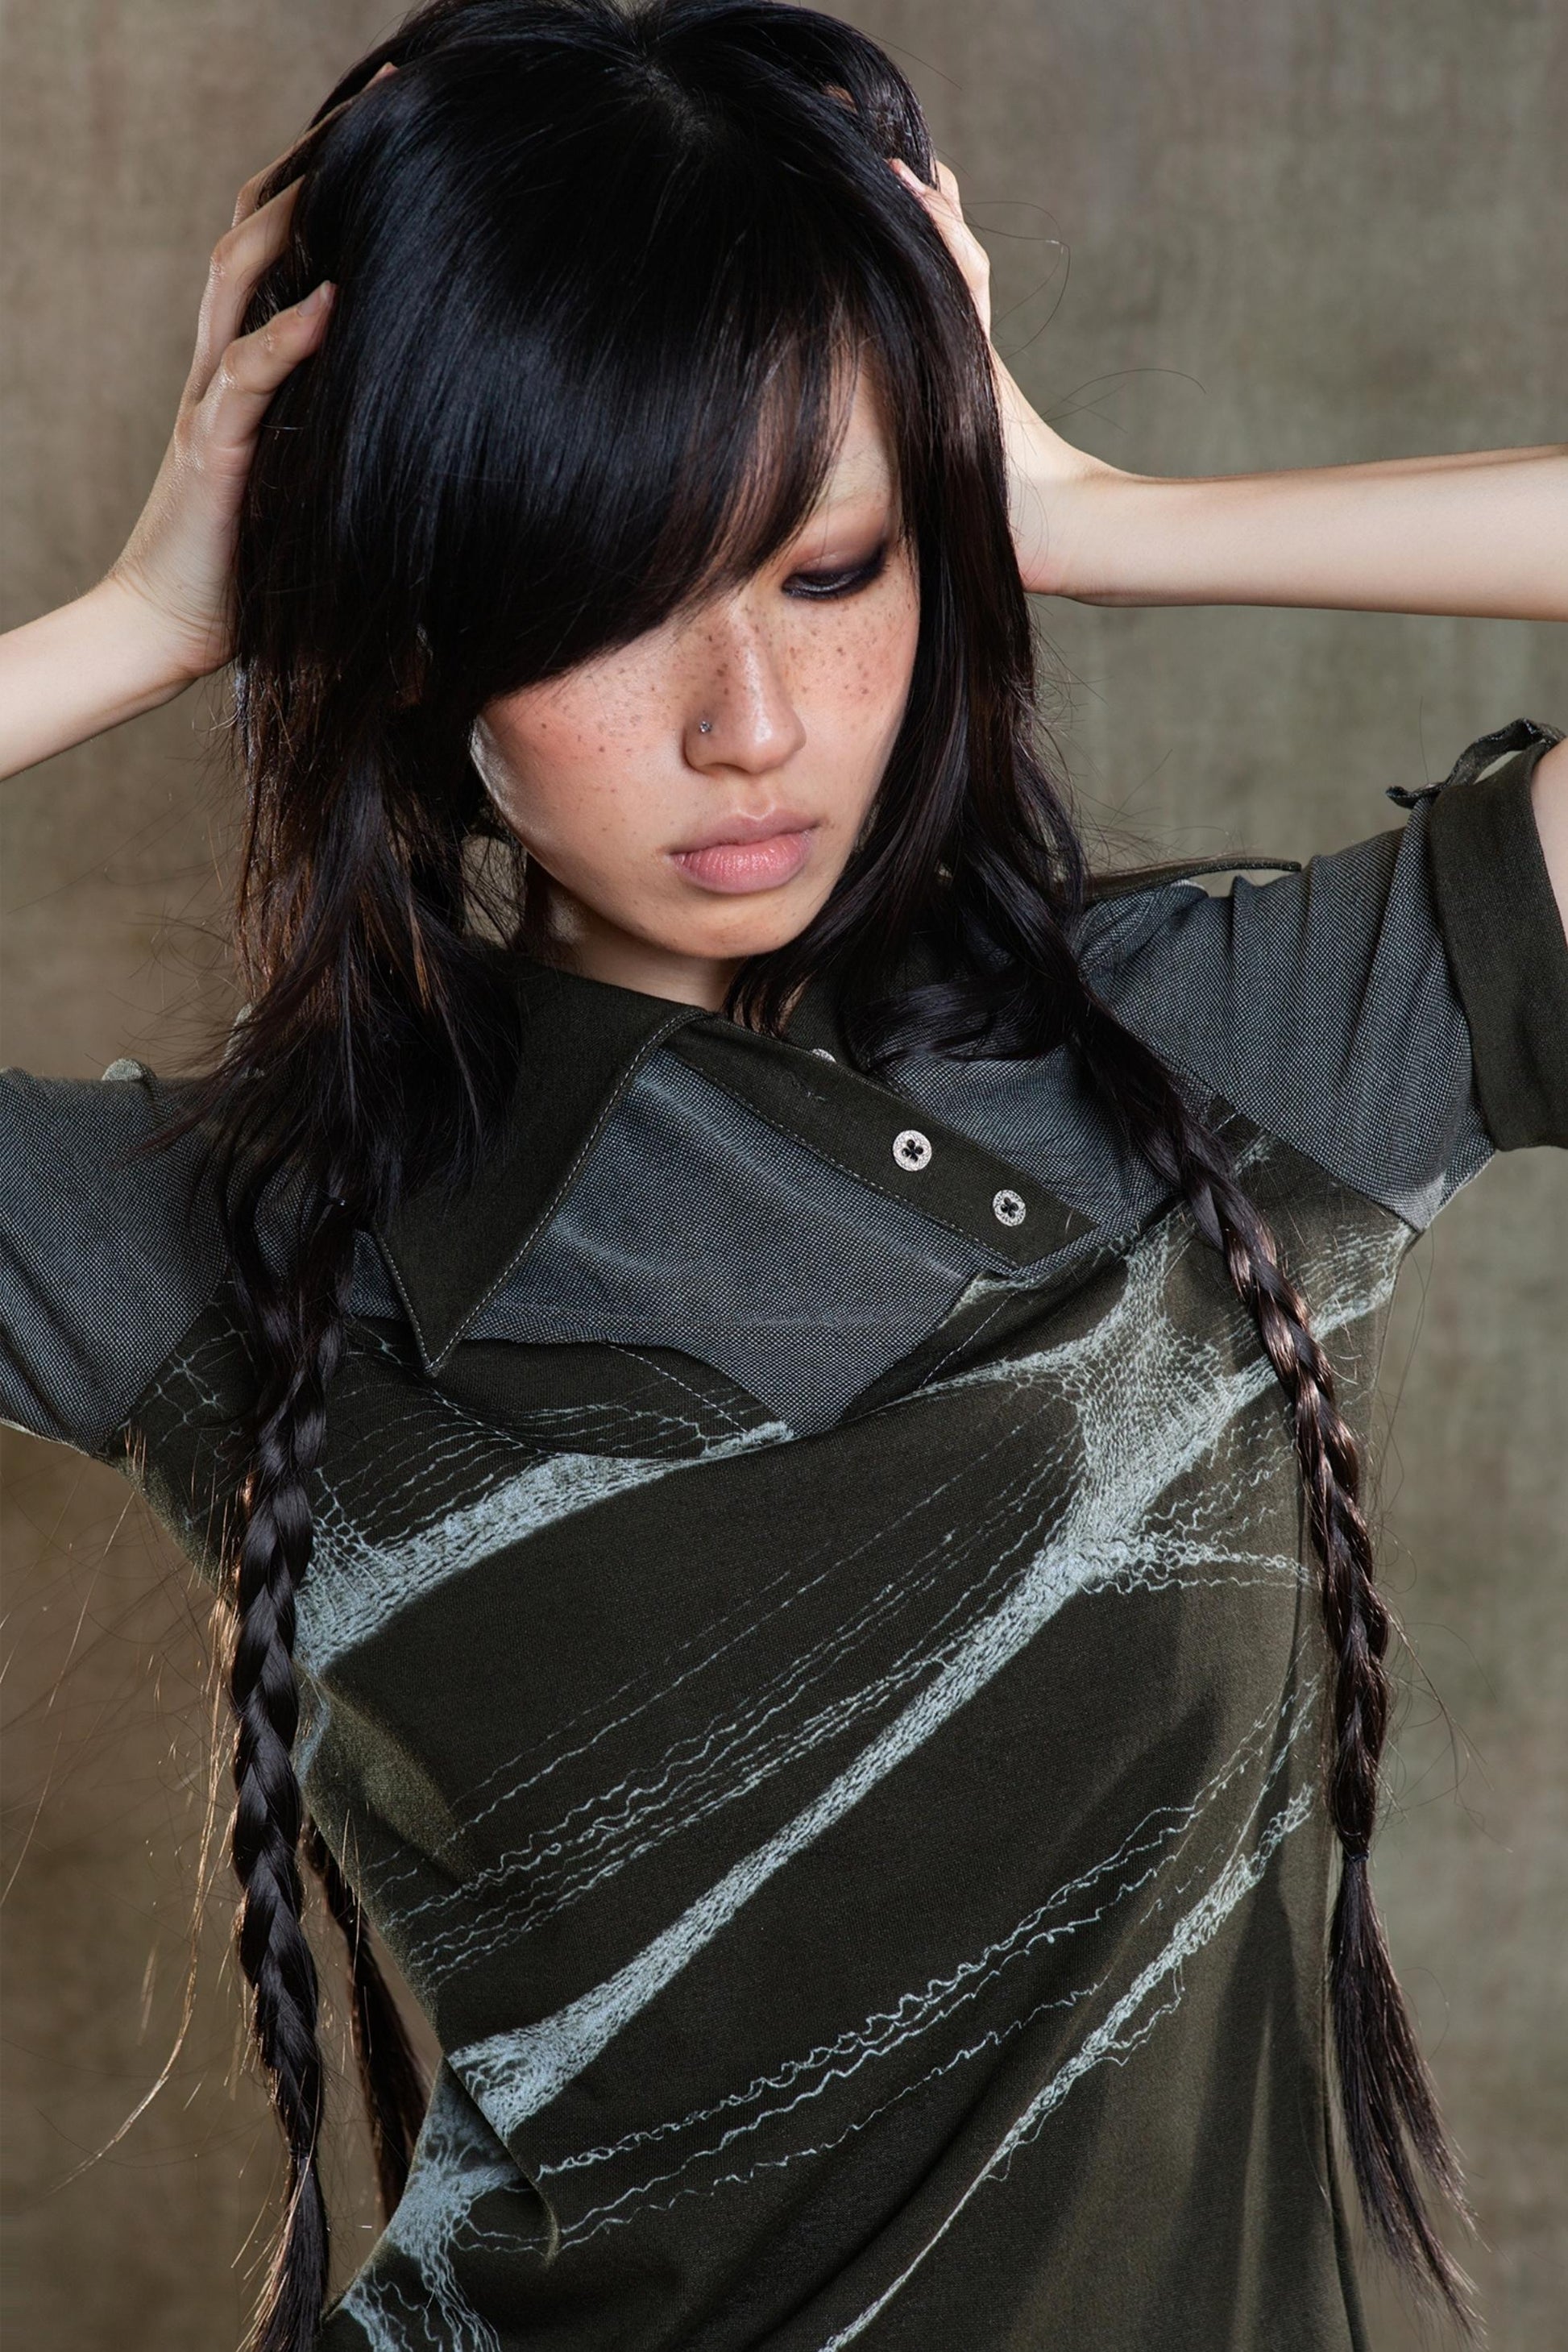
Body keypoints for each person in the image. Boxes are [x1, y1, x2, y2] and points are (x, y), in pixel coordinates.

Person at [2, 2, 1563, 2347]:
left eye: (831, 571)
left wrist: (1091, 516)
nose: (749, 726)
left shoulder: (1227, 1061)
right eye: (601, 610)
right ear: (419, 639)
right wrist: (156, 620)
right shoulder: (232, 1243)